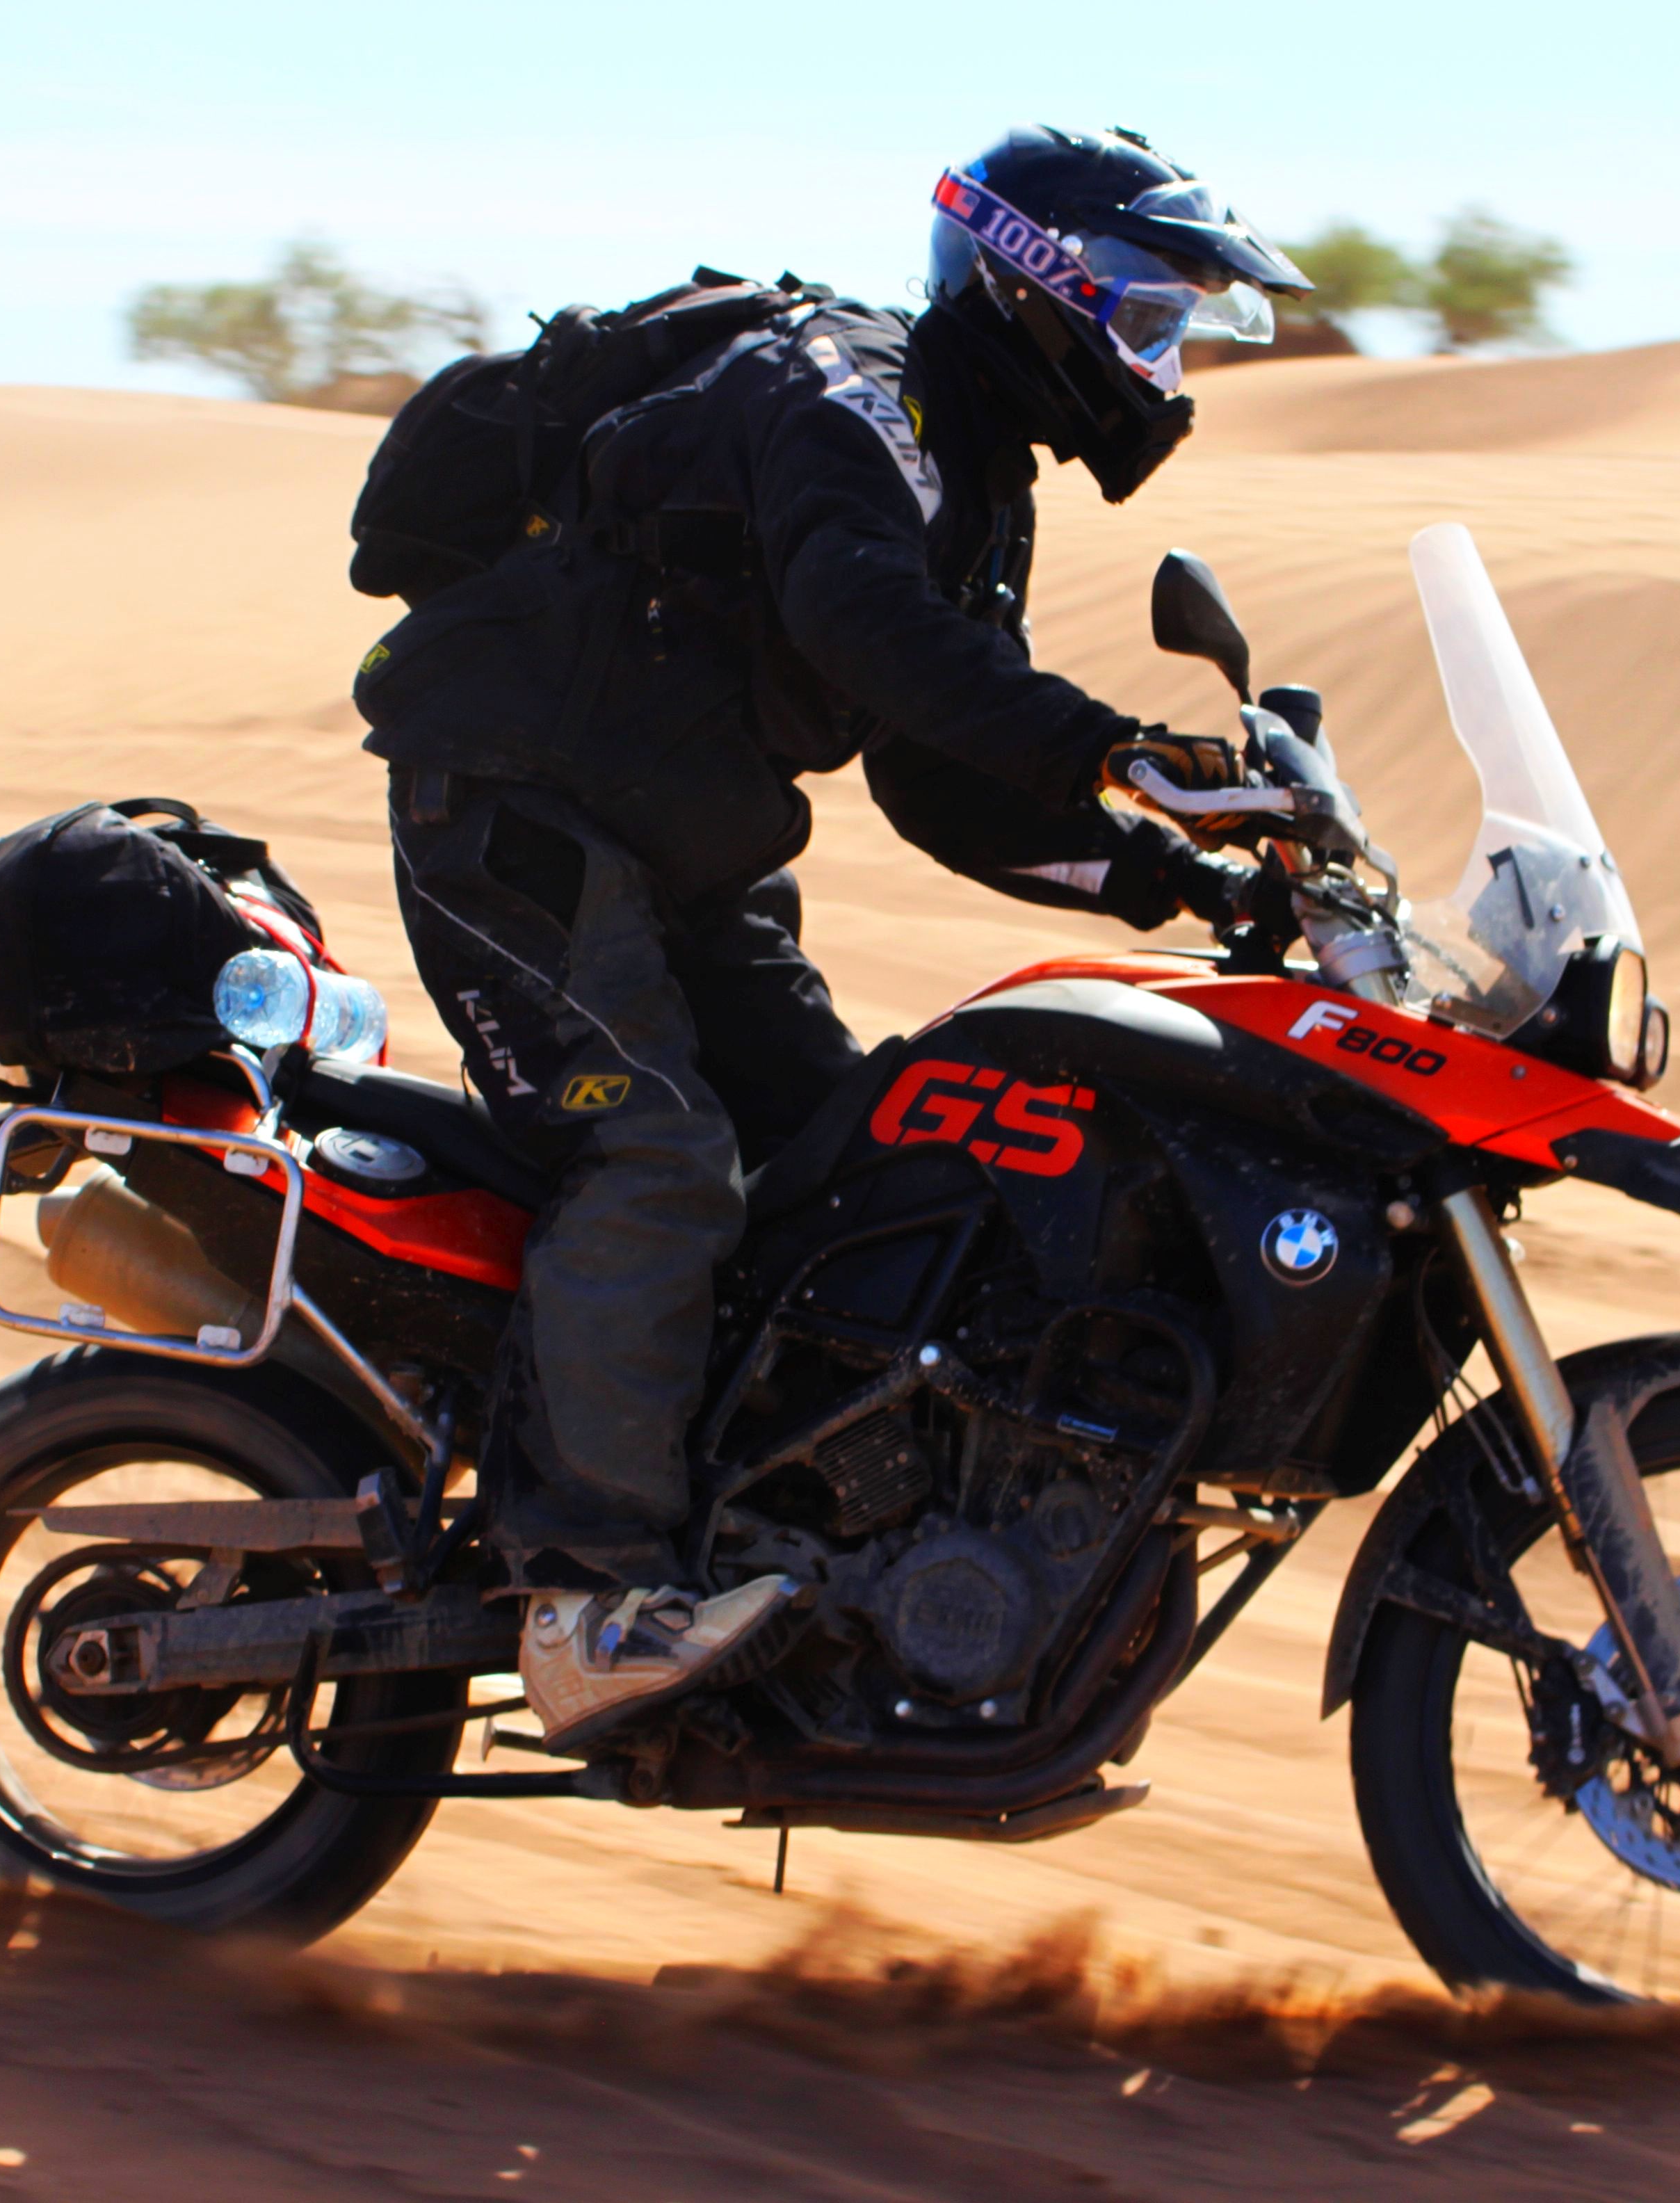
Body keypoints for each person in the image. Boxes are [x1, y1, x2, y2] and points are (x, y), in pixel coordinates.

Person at [355, 125, 1311, 1747]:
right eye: (1147, 318)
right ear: (1033, 286)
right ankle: (585, 1598)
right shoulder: (852, 392)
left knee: (860, 1169)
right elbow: (858, 622)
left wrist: (1182, 883)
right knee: (655, 1155)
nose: (1163, 365)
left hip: (679, 863)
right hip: (518, 819)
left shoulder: (974, 477)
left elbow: (942, 777)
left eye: (1179, 330)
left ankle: (786, 1558)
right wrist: (1114, 749)